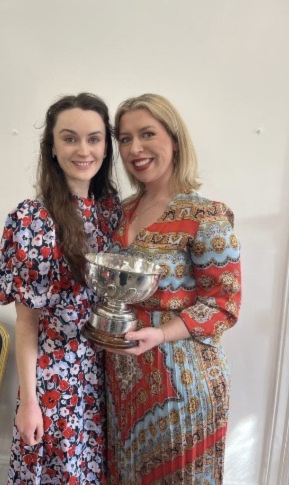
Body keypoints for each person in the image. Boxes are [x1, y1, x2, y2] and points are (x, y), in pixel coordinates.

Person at [105, 93, 241, 484]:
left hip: (182, 383)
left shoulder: (205, 214)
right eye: (125, 138)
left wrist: (161, 332)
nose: (135, 148)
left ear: (175, 139)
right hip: (123, 379)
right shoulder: (122, 211)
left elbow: (223, 303)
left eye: (147, 134)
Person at [0, 92, 122, 484]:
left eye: (94, 138)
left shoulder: (110, 210)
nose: (83, 150)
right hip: (55, 383)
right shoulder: (32, 219)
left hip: (102, 378)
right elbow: (27, 323)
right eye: (69, 138)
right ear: (51, 146)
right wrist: (29, 402)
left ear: (106, 146)